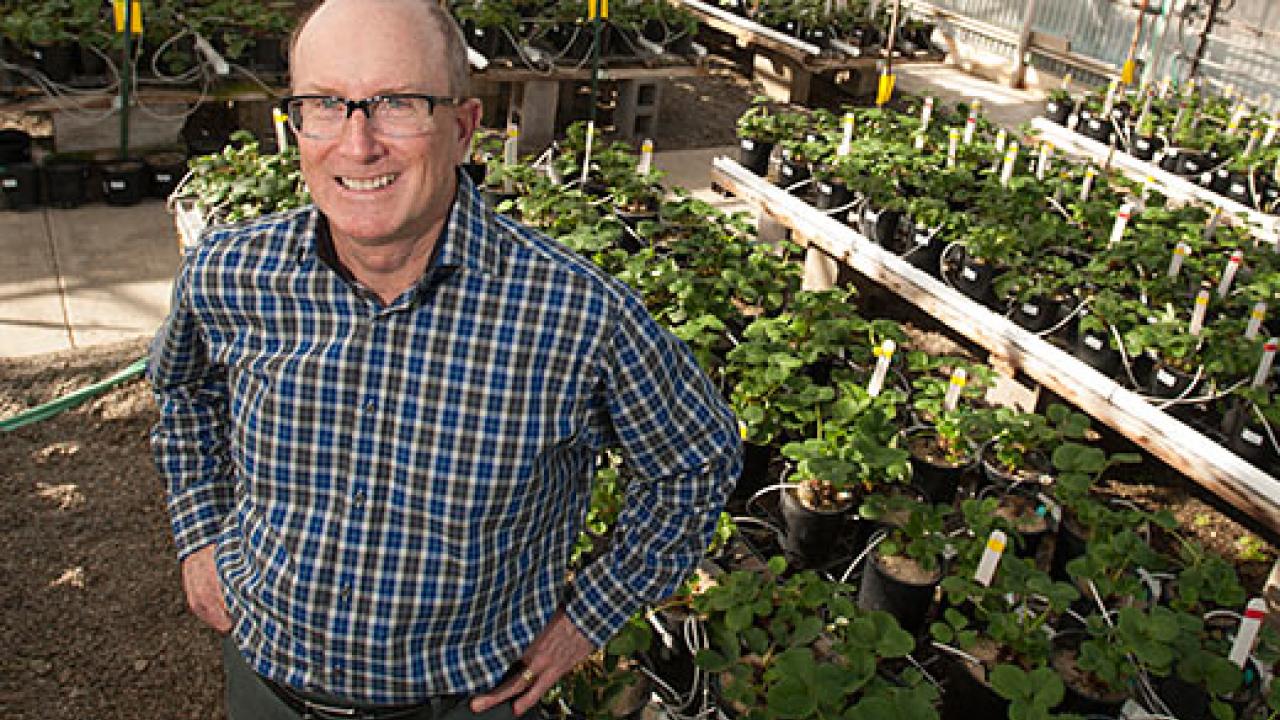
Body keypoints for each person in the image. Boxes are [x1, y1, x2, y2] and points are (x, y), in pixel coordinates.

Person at [148, 0, 742, 718]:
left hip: (460, 703)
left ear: (461, 128)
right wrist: (201, 533)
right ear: (297, 124)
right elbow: (184, 394)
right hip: (263, 684)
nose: (358, 144)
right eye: (325, 105)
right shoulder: (232, 273)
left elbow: (696, 459)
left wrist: (586, 621)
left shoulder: (577, 317)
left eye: (397, 103)